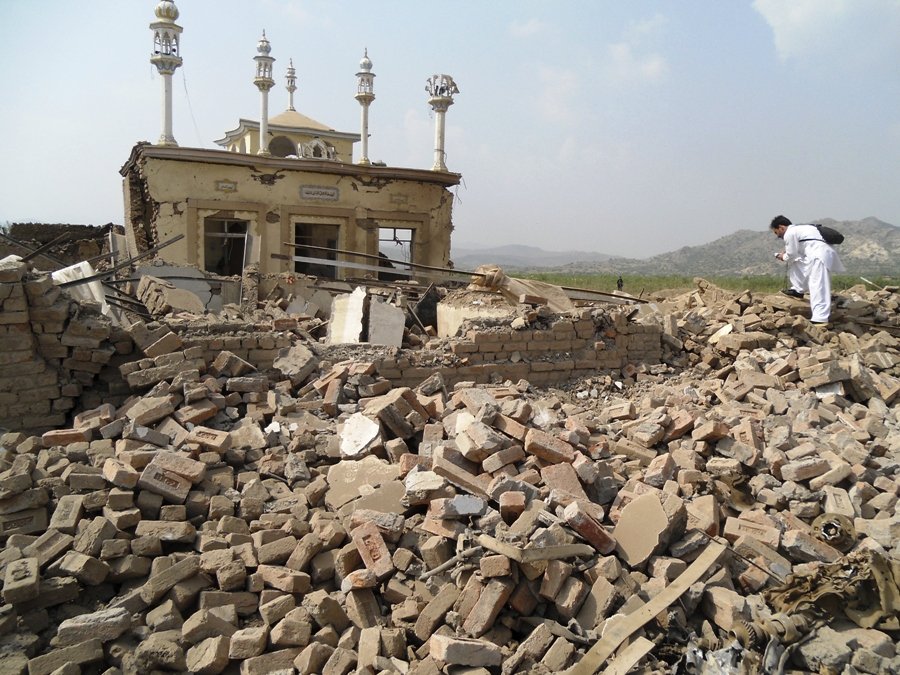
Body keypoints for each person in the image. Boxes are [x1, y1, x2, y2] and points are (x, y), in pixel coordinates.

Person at [770, 215, 845, 325]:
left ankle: (820, 318)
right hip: (816, 254)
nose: (779, 236)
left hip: (819, 255)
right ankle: (798, 289)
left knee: (818, 285)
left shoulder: (790, 233)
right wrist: (787, 255)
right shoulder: (801, 229)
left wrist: (783, 257)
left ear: (781, 227)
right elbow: (796, 255)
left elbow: (791, 254)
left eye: (777, 233)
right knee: (798, 263)